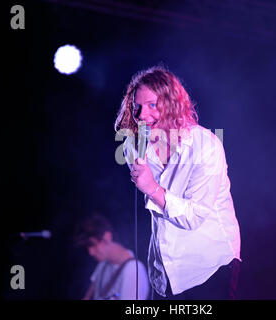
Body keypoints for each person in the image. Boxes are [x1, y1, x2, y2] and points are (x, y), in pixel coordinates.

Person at [114, 65, 242, 299]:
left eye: (152, 105)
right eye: (137, 107)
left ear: (172, 105)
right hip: (165, 271)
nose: (141, 115)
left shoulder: (205, 146)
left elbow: (194, 216)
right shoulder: (135, 146)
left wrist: (152, 188)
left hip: (209, 266)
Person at [74, 214, 149, 300]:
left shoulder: (133, 270)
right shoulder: (103, 263)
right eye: (87, 247)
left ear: (107, 236)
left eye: (93, 245)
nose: (90, 252)